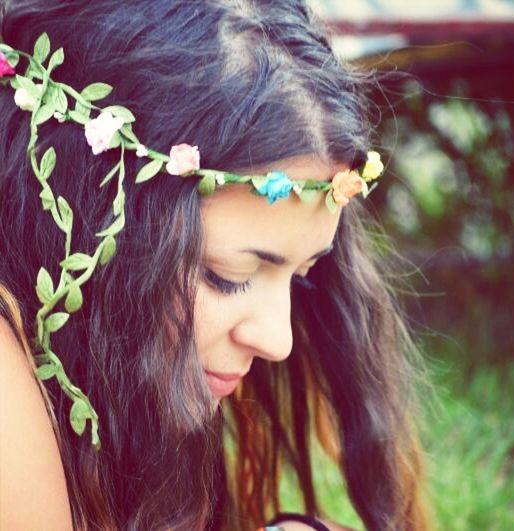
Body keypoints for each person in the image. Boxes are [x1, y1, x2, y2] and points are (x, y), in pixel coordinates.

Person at [0, 1, 431, 530]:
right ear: (91, 225)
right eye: (227, 277)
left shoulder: (124, 379)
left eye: (303, 276)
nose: (279, 342)